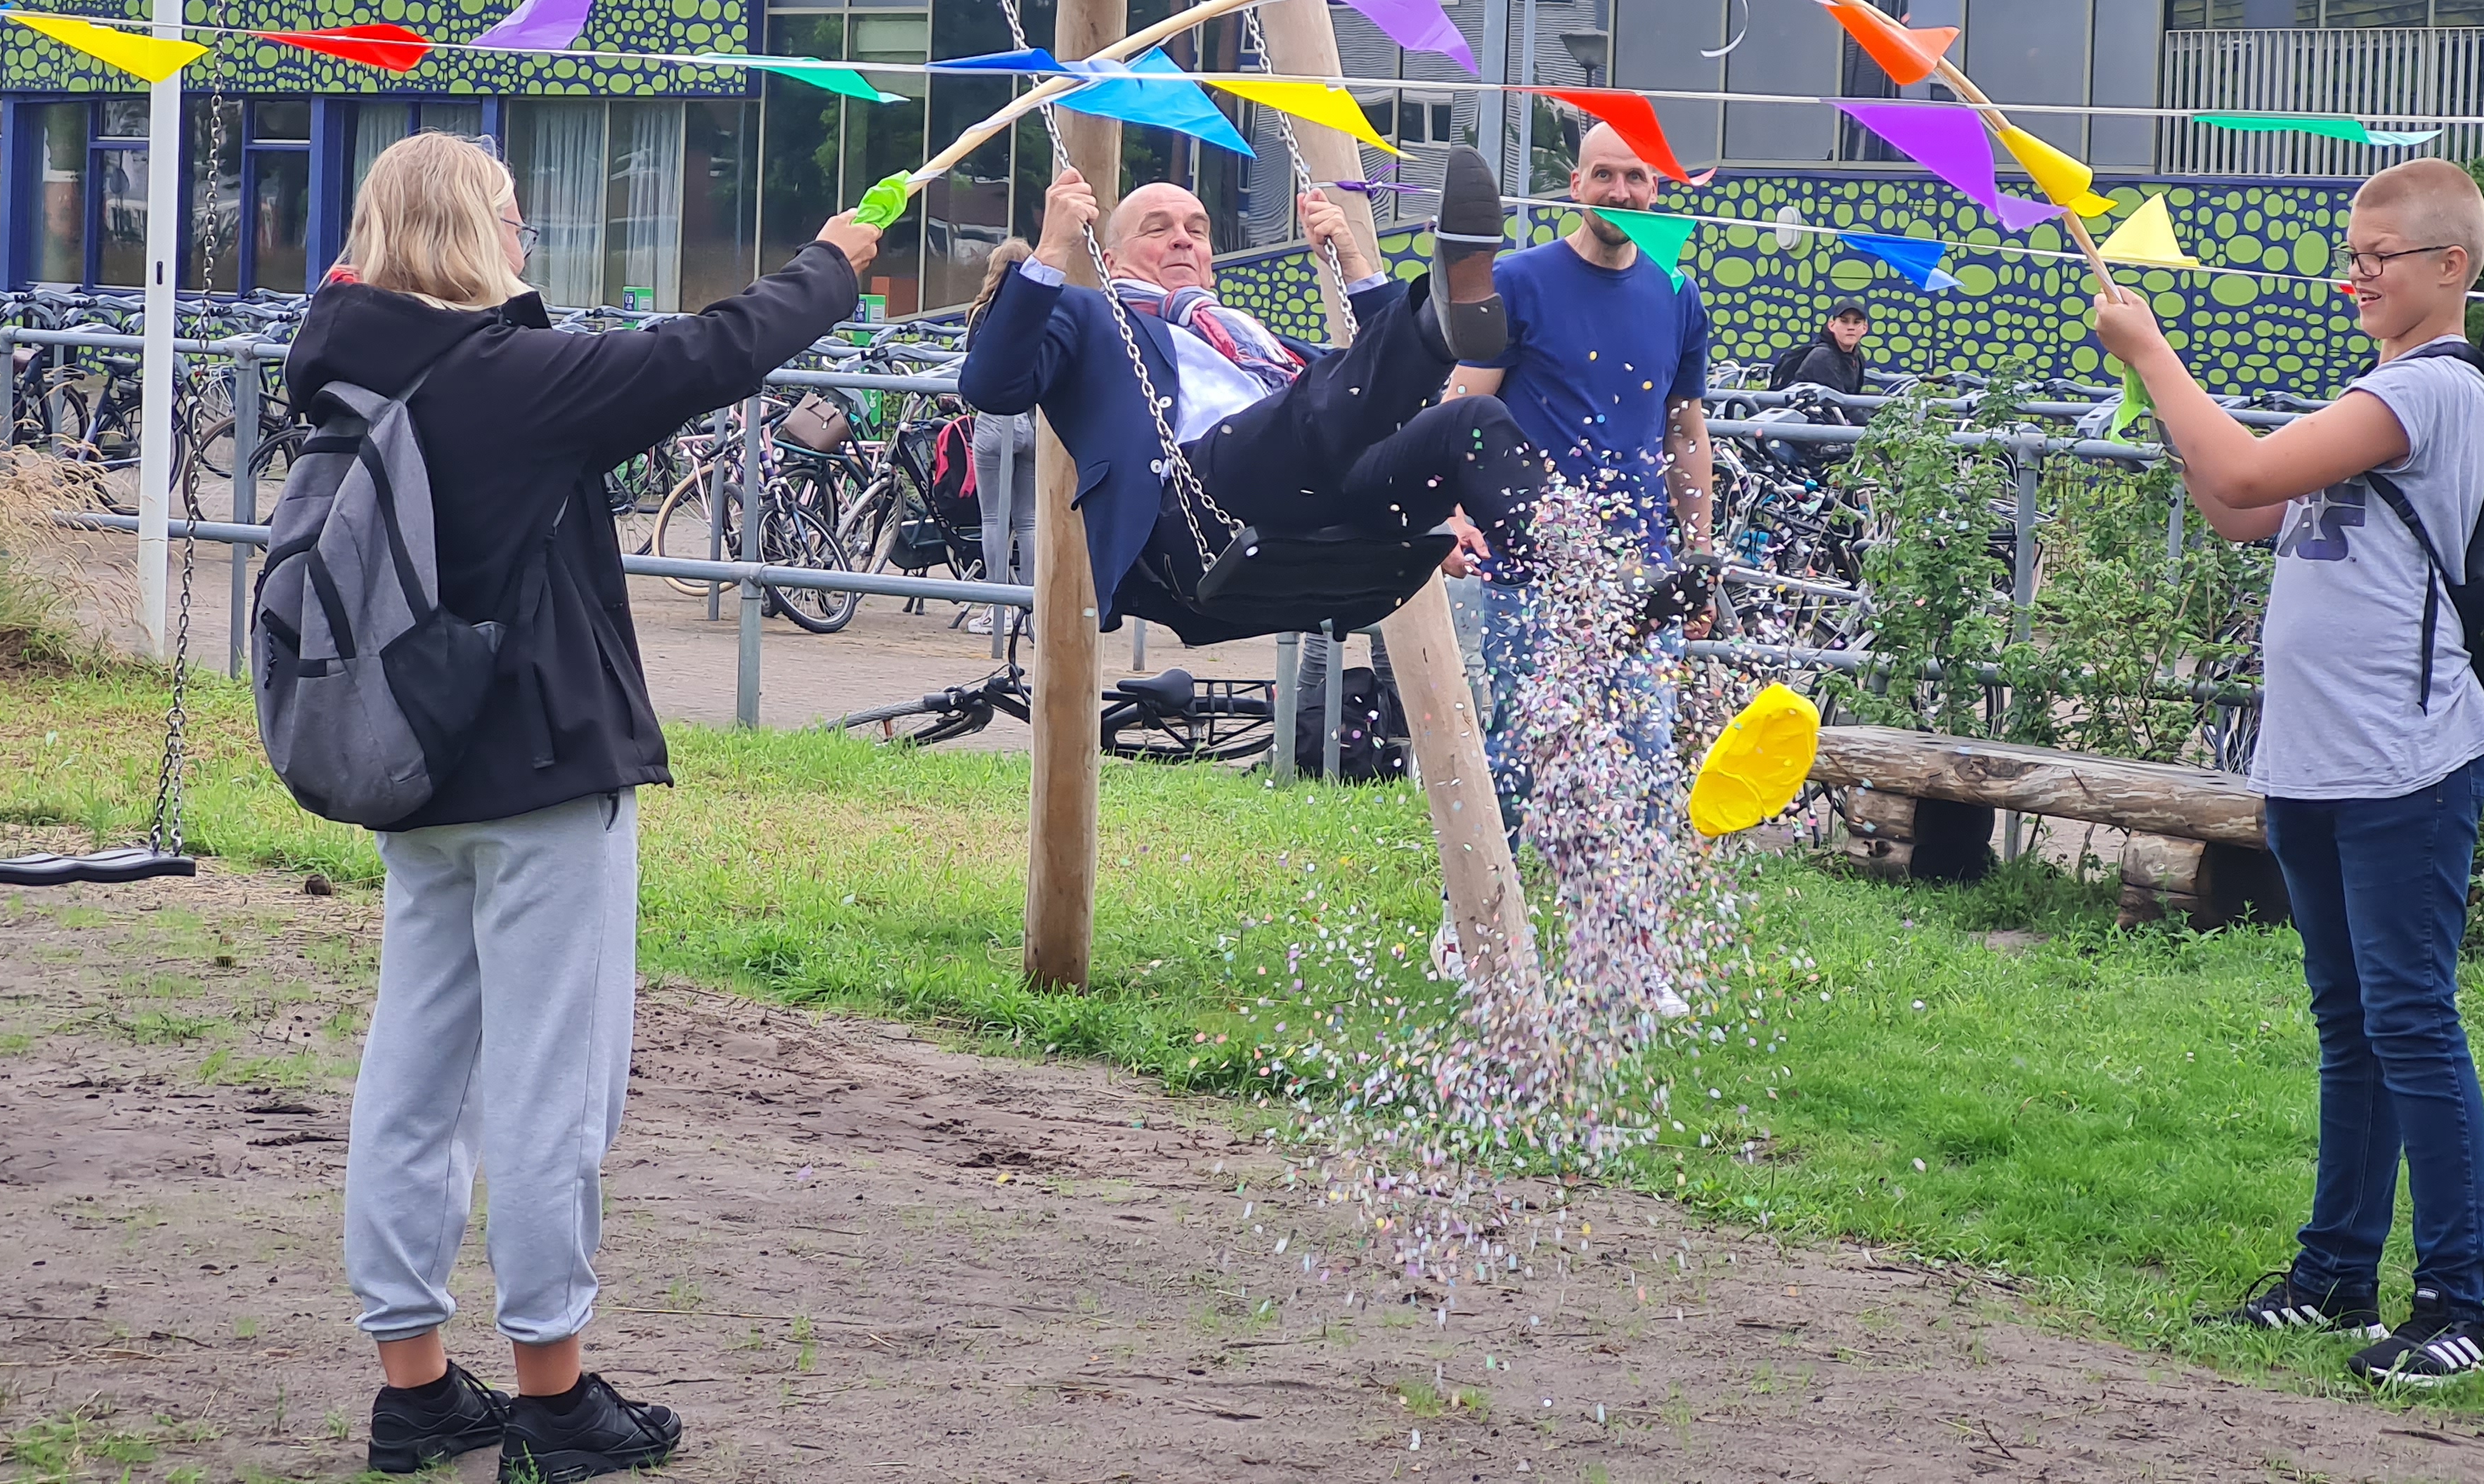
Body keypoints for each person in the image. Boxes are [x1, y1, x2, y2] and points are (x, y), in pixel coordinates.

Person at [288, 134, 877, 1482]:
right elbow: (704, 355)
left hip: (415, 771)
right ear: (463, 233)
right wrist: (832, 267)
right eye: (512, 216)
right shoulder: (498, 377)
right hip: (544, 776)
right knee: (552, 1086)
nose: (527, 243)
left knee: (414, 1072)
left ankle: (415, 1385)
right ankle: (554, 1397)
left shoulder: (350, 363)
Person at [2093, 156, 2484, 1386]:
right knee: (2351, 1024)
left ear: (2450, 266)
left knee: (2410, 1020)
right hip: (2321, 756)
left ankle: (2457, 1302)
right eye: (2350, 249)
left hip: (2402, 759)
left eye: (2379, 254)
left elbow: (2245, 471)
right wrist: (2156, 389)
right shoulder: (2376, 383)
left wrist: (2152, 353)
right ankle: (2333, 1274)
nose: (2354, 270)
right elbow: (2240, 511)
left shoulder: (2437, 388)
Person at [956, 150, 1543, 644]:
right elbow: (992, 385)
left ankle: (1569, 574)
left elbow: (1392, 396)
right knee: (1308, 409)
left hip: (1329, 496)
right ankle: (1435, 322)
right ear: (1109, 261)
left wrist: (1353, 263)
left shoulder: (1253, 336)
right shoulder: (1088, 315)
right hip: (1197, 514)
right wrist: (1053, 252)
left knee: (1472, 419)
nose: (1183, 239)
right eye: (1158, 229)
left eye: (1197, 229)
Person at [1450, 120, 1714, 836]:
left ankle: (1630, 919)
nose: (1619, 190)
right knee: (1519, 749)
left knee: (1646, 752)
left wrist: (1699, 554)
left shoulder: (1677, 292)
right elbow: (1462, 407)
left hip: (1642, 572)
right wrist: (1449, 511)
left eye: (1635, 177)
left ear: (1656, 189)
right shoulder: (1518, 281)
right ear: (1576, 187)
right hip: (1532, 566)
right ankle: (1478, 916)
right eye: (1604, 175)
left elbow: (1685, 430)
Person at [963, 238, 1038, 630]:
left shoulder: (982, 312)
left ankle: (997, 607)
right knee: (1029, 520)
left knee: (994, 518)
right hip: (1033, 420)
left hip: (994, 420)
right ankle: (1031, 608)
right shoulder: (1040, 311)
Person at [1768, 297, 1871, 410]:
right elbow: (1843, 406)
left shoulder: (1858, 356)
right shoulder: (1823, 356)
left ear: (1865, 328)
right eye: (1844, 321)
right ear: (1831, 325)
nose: (1851, 327)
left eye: (1856, 322)